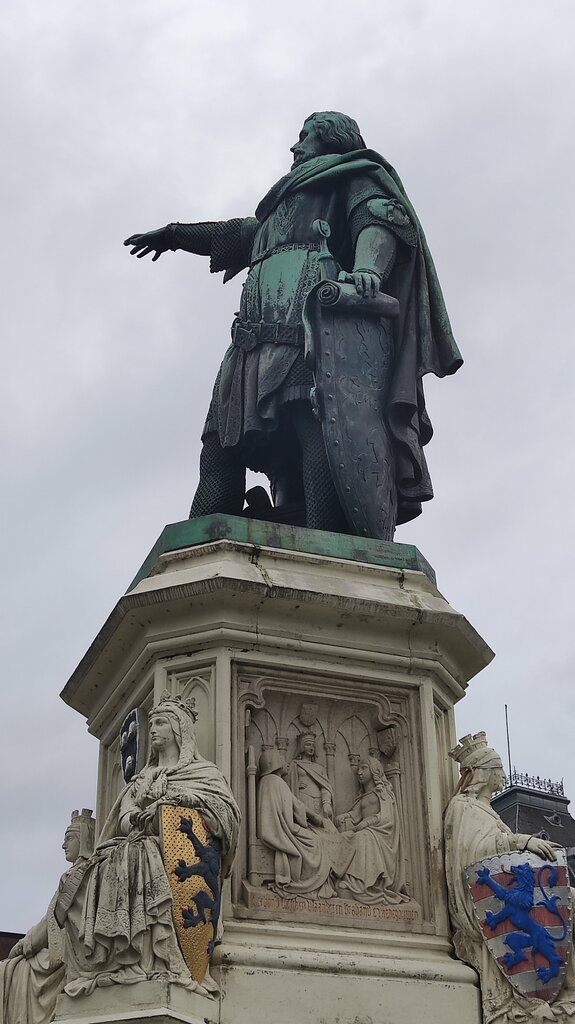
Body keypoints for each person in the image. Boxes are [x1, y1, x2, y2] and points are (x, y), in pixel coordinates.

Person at [124, 111, 462, 537]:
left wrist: (367, 270)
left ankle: (324, 534)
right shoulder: (275, 211)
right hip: (249, 341)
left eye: (304, 136)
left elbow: (378, 219)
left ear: (330, 140)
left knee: (313, 425)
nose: (295, 146)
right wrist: (173, 235)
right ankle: (202, 541)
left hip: (306, 331)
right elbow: (232, 235)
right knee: (220, 445)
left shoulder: (353, 175)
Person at [59, 693, 240, 998]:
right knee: (99, 866)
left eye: (160, 723)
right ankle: (120, 956)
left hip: (166, 853)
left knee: (140, 855)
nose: (153, 729)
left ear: (178, 729)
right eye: (152, 723)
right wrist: (143, 818)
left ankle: (155, 952)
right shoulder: (142, 778)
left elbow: (226, 816)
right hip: (138, 841)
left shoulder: (204, 774)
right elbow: (124, 817)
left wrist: (181, 802)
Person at [444, 732, 575, 1024]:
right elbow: (471, 855)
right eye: (497, 769)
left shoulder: (487, 811)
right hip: (485, 912)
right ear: (485, 773)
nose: (502, 775)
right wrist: (520, 842)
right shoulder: (463, 808)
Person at [0, 810, 95, 1024]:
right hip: (73, 950)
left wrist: (24, 944)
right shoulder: (85, 872)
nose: (63, 845)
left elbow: (50, 922)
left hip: (71, 956)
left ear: (84, 840)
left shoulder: (74, 876)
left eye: (69, 838)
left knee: (12, 971)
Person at [257, 749, 336, 899]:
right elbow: (296, 806)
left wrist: (313, 817)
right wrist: (314, 818)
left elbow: (295, 804)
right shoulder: (277, 781)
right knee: (316, 841)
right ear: (276, 763)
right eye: (283, 760)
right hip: (284, 829)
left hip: (278, 827)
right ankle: (315, 883)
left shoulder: (268, 781)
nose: (286, 763)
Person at [333, 757, 408, 905]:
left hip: (380, 834)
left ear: (374, 770)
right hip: (365, 831)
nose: (359, 773)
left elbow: (387, 817)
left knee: (362, 837)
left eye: (363, 768)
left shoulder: (383, 793)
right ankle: (341, 878)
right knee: (343, 837)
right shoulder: (363, 797)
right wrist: (344, 816)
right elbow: (355, 815)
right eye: (358, 770)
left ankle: (359, 884)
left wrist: (367, 822)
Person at [287, 733, 334, 820]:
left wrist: (326, 802)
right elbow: (288, 785)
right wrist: (295, 785)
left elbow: (325, 787)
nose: (311, 747)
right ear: (301, 746)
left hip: (319, 802)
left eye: (313, 745)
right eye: (308, 744)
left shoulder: (320, 768)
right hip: (303, 799)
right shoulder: (295, 764)